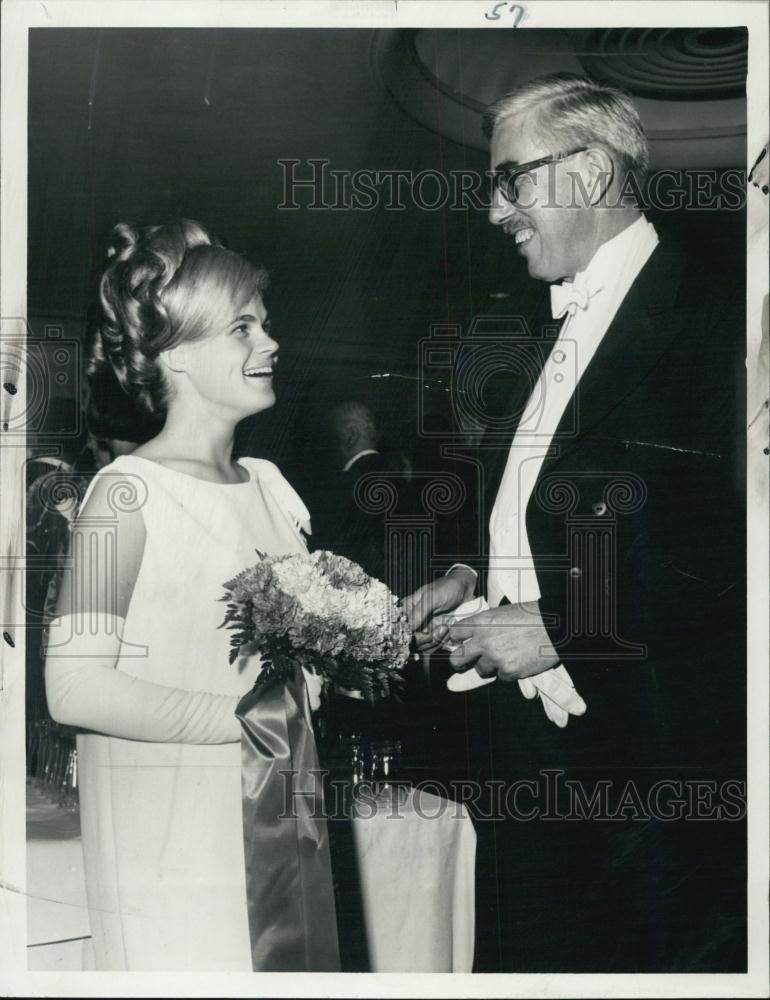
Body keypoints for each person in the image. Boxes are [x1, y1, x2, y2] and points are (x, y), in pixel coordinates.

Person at [403, 74, 746, 971]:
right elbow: (549, 515)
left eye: (510, 180)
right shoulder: (534, 325)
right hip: (526, 759)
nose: (493, 212)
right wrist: (478, 575)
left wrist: (563, 626)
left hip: (652, 776)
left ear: (590, 174)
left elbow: (731, 556)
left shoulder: (724, 320)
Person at [44, 220, 322, 970]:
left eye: (264, 323)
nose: (270, 343)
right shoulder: (122, 494)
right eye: (243, 328)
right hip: (169, 844)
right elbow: (73, 687)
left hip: (277, 819)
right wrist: (254, 724)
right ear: (177, 356)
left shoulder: (267, 484)